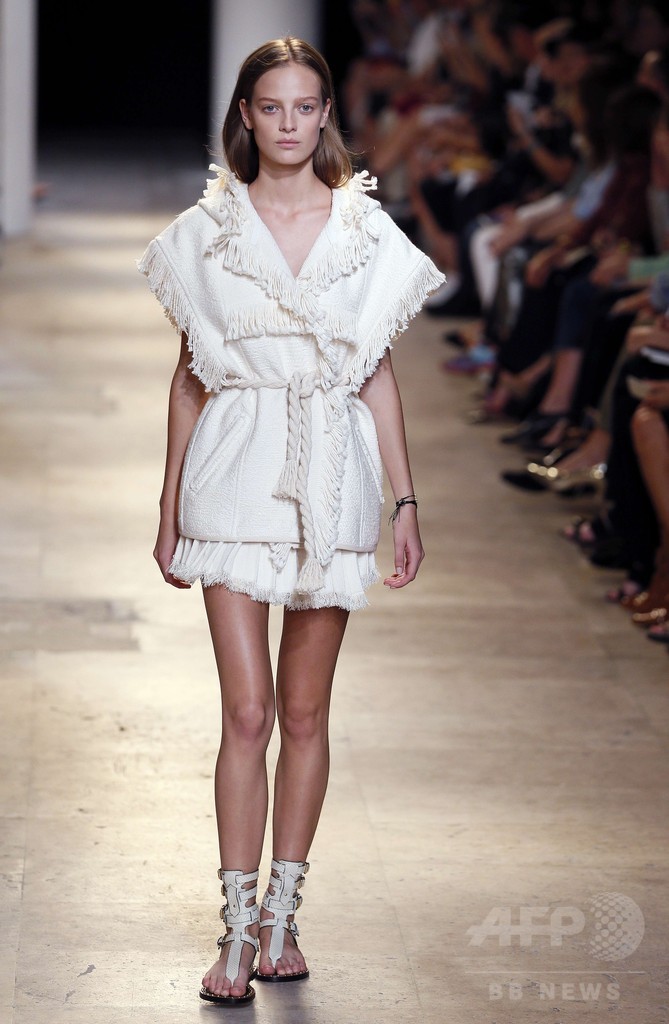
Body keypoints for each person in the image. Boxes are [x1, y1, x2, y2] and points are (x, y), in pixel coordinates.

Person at [138, 36, 443, 1008]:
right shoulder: (207, 232)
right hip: (234, 473)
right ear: (246, 114)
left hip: (333, 474)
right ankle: (234, 930)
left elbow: (376, 374)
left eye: (305, 107)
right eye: (271, 107)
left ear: (325, 115)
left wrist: (404, 501)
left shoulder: (363, 230)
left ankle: (282, 917)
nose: (288, 124)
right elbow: (189, 378)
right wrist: (168, 504)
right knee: (247, 712)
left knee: (306, 713)